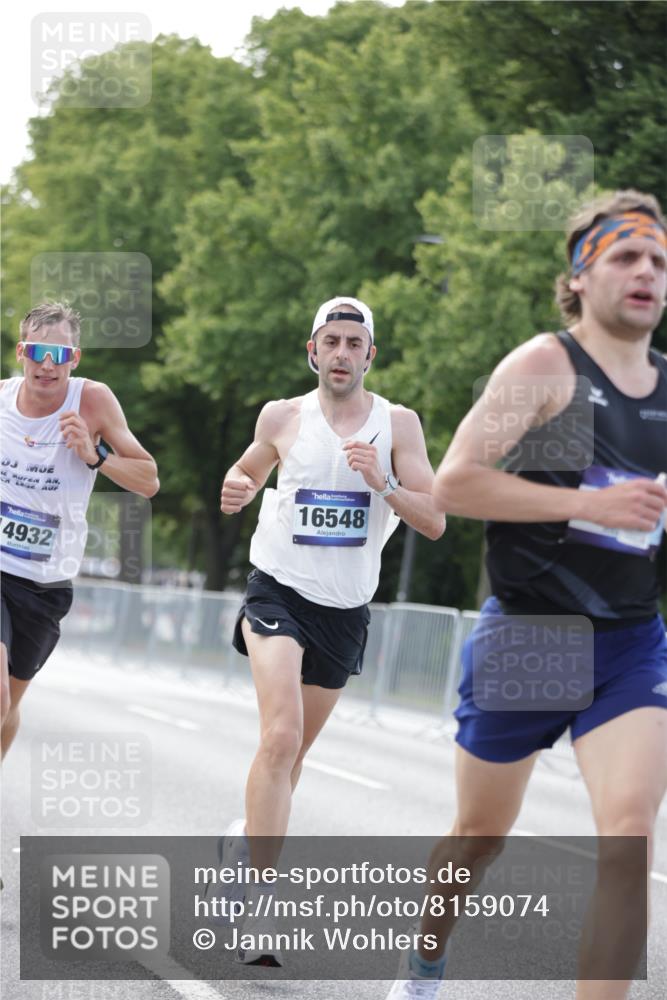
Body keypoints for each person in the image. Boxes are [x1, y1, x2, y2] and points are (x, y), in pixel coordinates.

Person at [386, 190, 667, 999]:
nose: (645, 271)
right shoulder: (545, 366)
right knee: (480, 835)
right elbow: (455, 483)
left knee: (628, 838)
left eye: (657, 260)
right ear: (579, 276)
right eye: (624, 256)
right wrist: (587, 504)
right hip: (530, 638)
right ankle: (423, 966)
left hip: (627, 641)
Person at [216, 295, 445, 965]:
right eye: (330, 341)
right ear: (311, 351)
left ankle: (242, 841)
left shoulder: (398, 425)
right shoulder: (281, 415)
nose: (341, 352)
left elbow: (432, 519)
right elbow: (249, 469)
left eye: (353, 342)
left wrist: (383, 483)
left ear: (369, 355)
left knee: (292, 757)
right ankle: (260, 910)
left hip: (344, 611)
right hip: (276, 589)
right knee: (280, 735)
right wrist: (236, 484)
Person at [0, 302, 159, 757]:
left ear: (75, 358)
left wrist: (95, 456)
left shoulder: (92, 401)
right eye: (37, 351)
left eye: (59, 353)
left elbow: (149, 480)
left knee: (11, 702)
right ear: (20, 353)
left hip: (46, 582)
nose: (46, 364)